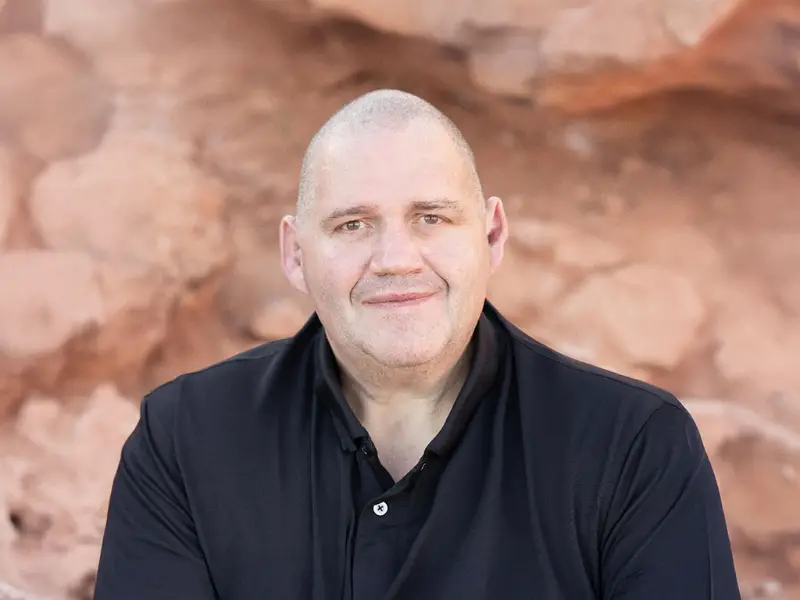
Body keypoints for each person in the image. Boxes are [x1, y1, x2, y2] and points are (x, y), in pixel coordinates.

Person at [93, 89, 742, 600]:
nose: (395, 259)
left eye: (431, 218)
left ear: (492, 236)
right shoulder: (183, 441)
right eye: (353, 224)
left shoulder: (633, 449)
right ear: (295, 253)